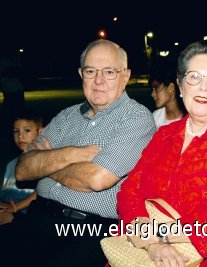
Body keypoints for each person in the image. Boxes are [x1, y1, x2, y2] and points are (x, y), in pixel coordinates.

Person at [0, 39, 156, 266]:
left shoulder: (136, 118)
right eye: (91, 71)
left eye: (109, 72)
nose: (99, 80)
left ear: (125, 76)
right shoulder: (66, 116)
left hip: (88, 230)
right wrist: (75, 153)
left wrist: (47, 163)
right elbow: (23, 169)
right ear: (81, 74)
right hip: (38, 216)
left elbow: (97, 179)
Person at [117, 40, 207, 266]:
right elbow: (128, 190)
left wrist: (160, 236)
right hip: (144, 248)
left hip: (204, 255)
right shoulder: (163, 135)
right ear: (181, 84)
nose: (203, 88)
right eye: (194, 77)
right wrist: (152, 242)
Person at [0, 109, 43, 225]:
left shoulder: (46, 162)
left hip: (30, 215)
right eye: (16, 131)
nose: (20, 136)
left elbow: (43, 192)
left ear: (41, 132)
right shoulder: (11, 164)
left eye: (27, 130)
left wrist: (15, 207)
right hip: (9, 208)